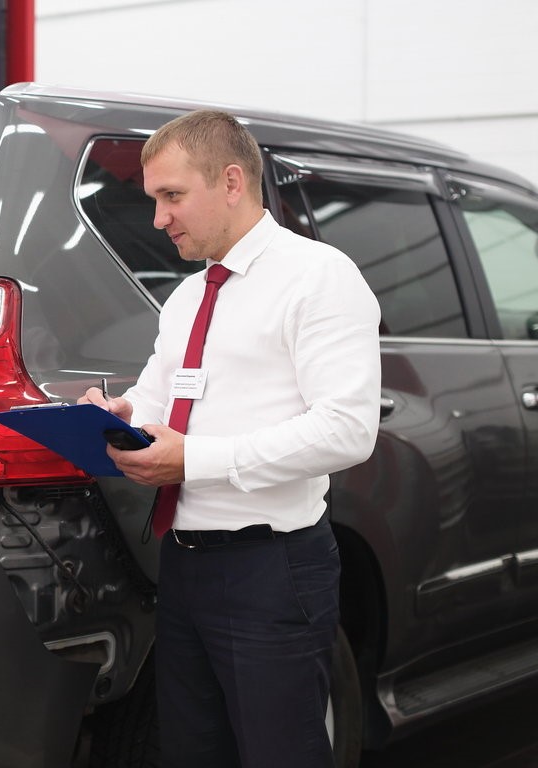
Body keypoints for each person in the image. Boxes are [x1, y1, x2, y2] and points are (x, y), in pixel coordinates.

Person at [80, 110, 381, 767]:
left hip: (270, 570)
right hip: (185, 564)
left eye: (172, 196)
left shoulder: (317, 278)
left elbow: (348, 428)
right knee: (193, 752)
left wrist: (195, 458)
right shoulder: (190, 296)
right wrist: (120, 413)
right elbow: (166, 393)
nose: (159, 218)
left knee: (282, 754)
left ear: (233, 182)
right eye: (155, 200)